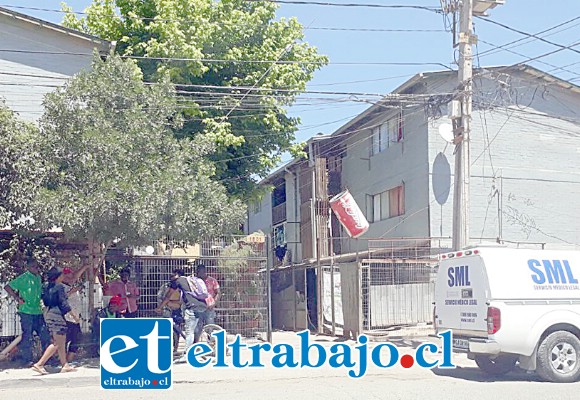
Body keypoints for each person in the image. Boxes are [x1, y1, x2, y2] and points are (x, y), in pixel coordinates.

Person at [32, 267, 80, 375]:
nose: (63, 277)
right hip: (57, 315)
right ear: (58, 276)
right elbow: (64, 304)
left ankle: (65, 365)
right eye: (62, 275)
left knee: (61, 341)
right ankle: (39, 364)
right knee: (57, 342)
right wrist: (74, 316)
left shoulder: (45, 286)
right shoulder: (59, 287)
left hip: (48, 313)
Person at [3, 258, 51, 367]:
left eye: (37, 267)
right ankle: (26, 360)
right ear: (28, 267)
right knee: (27, 336)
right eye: (34, 267)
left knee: (44, 335)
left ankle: (46, 359)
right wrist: (16, 297)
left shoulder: (38, 278)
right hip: (26, 311)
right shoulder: (23, 278)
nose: (36, 269)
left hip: (37, 311)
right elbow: (7, 287)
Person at [155, 269, 208, 362]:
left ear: (177, 275)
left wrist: (160, 307)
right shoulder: (191, 280)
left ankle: (187, 354)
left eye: (172, 275)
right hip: (203, 306)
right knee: (197, 330)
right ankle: (196, 351)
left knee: (189, 332)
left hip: (192, 307)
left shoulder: (178, 281)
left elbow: (168, 296)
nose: (171, 277)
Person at [61, 265, 90, 363]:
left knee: (77, 338)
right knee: (65, 339)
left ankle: (69, 359)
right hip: (67, 317)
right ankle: (63, 361)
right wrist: (74, 290)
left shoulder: (70, 285)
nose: (71, 277)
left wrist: (85, 267)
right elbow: (64, 297)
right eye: (68, 275)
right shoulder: (61, 286)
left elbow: (75, 277)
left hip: (75, 318)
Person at [194, 264, 221, 343]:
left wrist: (214, 303)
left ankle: (211, 344)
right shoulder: (195, 281)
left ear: (205, 271)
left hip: (209, 307)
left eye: (201, 272)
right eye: (198, 272)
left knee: (210, 327)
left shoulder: (212, 281)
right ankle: (196, 345)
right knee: (197, 327)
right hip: (198, 307)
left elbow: (218, 292)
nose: (199, 273)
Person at [156, 278, 184, 352]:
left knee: (176, 330)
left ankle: (175, 347)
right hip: (167, 310)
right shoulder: (165, 287)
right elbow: (161, 297)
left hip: (178, 310)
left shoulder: (182, 288)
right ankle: (168, 347)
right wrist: (162, 307)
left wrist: (164, 305)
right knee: (167, 329)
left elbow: (181, 301)